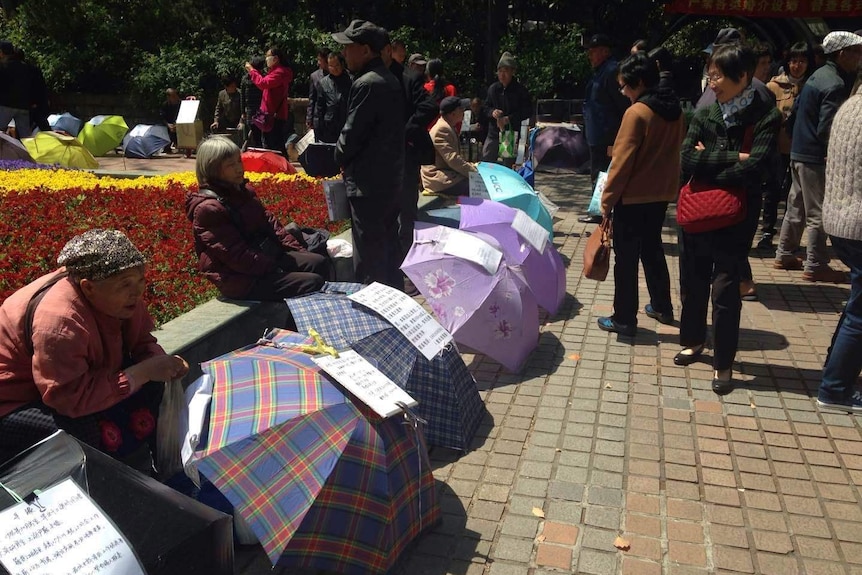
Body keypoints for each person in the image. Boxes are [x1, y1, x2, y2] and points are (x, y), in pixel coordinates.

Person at [0, 229, 189, 466]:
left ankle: (155, 470)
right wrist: (141, 372)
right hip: (17, 403)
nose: (137, 292)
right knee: (80, 435)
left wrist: (162, 363)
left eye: (141, 280)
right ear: (88, 287)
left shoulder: (121, 299)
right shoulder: (60, 322)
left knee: (153, 388)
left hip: (79, 381)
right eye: (125, 285)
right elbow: (68, 400)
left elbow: (142, 342)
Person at [677, 43, 781, 396]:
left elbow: (757, 168)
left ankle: (723, 362)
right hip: (697, 211)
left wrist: (711, 167)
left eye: (718, 75)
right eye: (710, 74)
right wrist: (732, 157)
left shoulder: (765, 115)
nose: (712, 82)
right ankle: (692, 341)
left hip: (737, 218)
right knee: (693, 279)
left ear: (742, 77)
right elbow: (686, 161)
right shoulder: (704, 114)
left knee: (724, 290)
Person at [595, 53, 685, 337]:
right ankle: (662, 306)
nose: (623, 92)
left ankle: (624, 319)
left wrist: (606, 201)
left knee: (627, 259)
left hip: (632, 198)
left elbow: (621, 163)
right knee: (652, 250)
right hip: (661, 195)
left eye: (626, 86)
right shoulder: (675, 111)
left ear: (640, 83)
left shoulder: (637, 114)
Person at [185, 136, 327, 301]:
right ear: (213, 169)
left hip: (264, 259)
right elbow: (237, 257)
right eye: (231, 165)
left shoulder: (244, 192)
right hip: (239, 278)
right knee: (311, 282)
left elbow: (273, 227)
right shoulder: (208, 209)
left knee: (318, 262)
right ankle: (294, 324)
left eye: (239, 161)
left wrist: (297, 250)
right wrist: (277, 269)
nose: (239, 168)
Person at [774, 31, 862, 283]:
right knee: (817, 213)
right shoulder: (834, 83)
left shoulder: (817, 75)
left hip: (799, 151)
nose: (859, 57)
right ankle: (816, 264)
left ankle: (785, 253)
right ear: (841, 54)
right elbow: (828, 128)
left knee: (796, 206)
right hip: (814, 156)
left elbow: (796, 112)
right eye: (856, 52)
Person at [333, 20, 406, 288]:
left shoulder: (366, 84)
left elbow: (351, 136)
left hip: (367, 187)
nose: (344, 54)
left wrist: (337, 155)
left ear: (365, 50)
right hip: (388, 183)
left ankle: (373, 316)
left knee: (369, 262)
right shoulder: (389, 80)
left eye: (348, 47)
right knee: (389, 254)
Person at [381, 29, 437, 290]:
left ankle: (408, 268)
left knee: (406, 211)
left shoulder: (410, 77)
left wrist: (405, 131)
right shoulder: (372, 77)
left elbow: (428, 107)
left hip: (404, 155)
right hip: (380, 159)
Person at [817, 85, 862, 411]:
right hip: (858, 224)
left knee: (856, 306)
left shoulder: (851, 105)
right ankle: (834, 388)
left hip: (840, 221)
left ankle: (835, 371)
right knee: (860, 314)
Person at [759, 42, 809, 250]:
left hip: (800, 148)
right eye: (794, 60)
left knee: (795, 194)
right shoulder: (773, 86)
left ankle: (790, 238)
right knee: (772, 190)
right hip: (777, 146)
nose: (797, 65)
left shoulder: (810, 86)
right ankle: (767, 231)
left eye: (802, 61)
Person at [580, 34, 630, 224]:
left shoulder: (611, 71)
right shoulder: (599, 71)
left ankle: (601, 211)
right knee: (597, 173)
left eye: (593, 52)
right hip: (597, 134)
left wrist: (616, 137)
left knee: (603, 175)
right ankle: (598, 210)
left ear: (604, 51)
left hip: (607, 135)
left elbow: (621, 105)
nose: (590, 56)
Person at [481, 51, 532, 167]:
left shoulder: (520, 90)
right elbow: (485, 108)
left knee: (507, 165)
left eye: (506, 71)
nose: (502, 75)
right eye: (500, 71)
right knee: (486, 161)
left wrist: (509, 118)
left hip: (509, 132)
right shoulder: (493, 89)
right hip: (494, 131)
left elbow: (527, 111)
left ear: (512, 72)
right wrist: (492, 112)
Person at [421, 96, 476, 197]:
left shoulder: (447, 126)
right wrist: (474, 172)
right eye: (461, 109)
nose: (464, 111)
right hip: (437, 178)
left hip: (446, 172)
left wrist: (472, 167)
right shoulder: (442, 129)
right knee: (477, 187)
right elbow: (453, 159)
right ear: (452, 114)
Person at [244, 46, 293, 154]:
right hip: (270, 114)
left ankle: (280, 169)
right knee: (271, 144)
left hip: (274, 115)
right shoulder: (276, 72)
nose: (266, 59)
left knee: (274, 146)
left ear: (275, 58)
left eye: (268, 56)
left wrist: (252, 71)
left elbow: (263, 84)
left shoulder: (279, 73)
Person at [311, 52, 351, 144]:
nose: (334, 69)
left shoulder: (351, 81)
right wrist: (318, 128)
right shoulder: (323, 83)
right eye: (331, 66)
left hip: (346, 125)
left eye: (336, 65)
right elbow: (320, 108)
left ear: (342, 64)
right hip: (329, 127)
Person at [0, 41, 33, 139]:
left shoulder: (3, 67)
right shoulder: (25, 67)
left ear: (1, 52)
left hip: (6, 105)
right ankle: (28, 153)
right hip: (23, 105)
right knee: (25, 137)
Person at [240, 56, 265, 149]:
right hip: (253, 110)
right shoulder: (247, 79)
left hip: (260, 110)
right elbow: (242, 96)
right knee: (254, 135)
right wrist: (243, 112)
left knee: (258, 135)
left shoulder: (261, 78)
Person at [306, 46, 331, 131]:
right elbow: (312, 99)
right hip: (319, 118)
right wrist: (309, 117)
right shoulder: (315, 76)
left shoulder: (337, 74)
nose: (318, 63)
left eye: (320, 60)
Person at [160, 88, 181, 152]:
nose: (175, 97)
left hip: (179, 124)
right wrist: (168, 125)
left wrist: (176, 124)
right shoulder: (165, 105)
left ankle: (179, 145)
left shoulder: (181, 104)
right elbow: (162, 118)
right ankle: (167, 146)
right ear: (168, 97)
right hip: (169, 125)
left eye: (176, 95)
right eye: (173, 96)